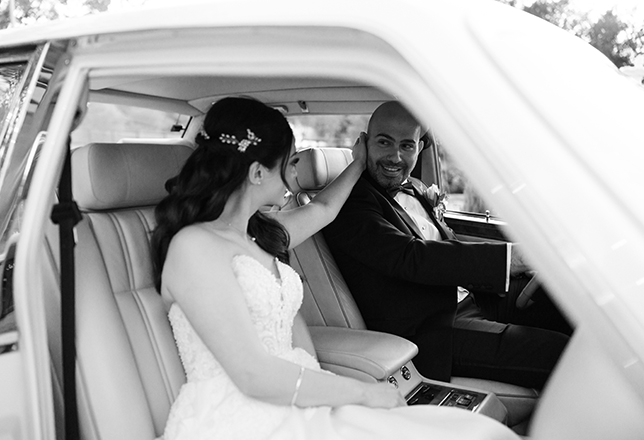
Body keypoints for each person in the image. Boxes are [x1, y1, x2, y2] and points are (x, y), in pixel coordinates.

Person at [151, 97, 518, 440]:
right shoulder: (194, 248)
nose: (296, 178)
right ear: (258, 172)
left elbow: (323, 210)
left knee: (468, 429)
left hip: (300, 392)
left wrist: (358, 162)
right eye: (291, 163)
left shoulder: (259, 236)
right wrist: (361, 392)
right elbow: (252, 374)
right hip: (245, 414)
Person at [323, 101, 569, 389]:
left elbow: (442, 243)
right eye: (384, 142)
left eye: (407, 146)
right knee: (560, 353)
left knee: (568, 306)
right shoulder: (351, 202)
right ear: (363, 143)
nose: (395, 156)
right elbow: (411, 256)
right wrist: (510, 259)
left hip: (470, 296)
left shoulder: (413, 187)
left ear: (419, 148)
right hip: (434, 326)